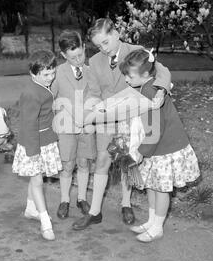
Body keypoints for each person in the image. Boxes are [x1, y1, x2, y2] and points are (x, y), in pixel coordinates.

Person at [72, 18, 171, 230]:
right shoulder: (96, 61)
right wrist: (91, 113)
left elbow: (162, 71)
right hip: (108, 118)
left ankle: (126, 203)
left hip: (133, 119)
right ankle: (95, 212)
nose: (103, 49)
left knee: (128, 162)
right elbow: (94, 93)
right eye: (98, 46)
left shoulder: (136, 50)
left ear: (116, 33)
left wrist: (161, 90)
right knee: (102, 161)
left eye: (105, 42)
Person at [119, 48, 200, 242]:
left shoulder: (149, 92)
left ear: (145, 73)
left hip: (164, 148)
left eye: (129, 76)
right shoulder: (150, 86)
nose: (126, 80)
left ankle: (157, 227)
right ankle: (152, 221)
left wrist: (139, 153)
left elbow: (155, 130)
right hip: (157, 147)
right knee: (153, 186)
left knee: (161, 189)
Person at [12, 50, 62, 241]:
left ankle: (31, 209)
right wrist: (32, 152)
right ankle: (45, 223)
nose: (51, 78)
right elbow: (28, 124)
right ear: (33, 74)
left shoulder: (42, 86)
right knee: (38, 181)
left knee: (36, 179)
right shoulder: (31, 93)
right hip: (33, 144)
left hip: (45, 141)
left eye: (52, 72)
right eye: (46, 75)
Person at [51, 30, 96, 219]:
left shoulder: (91, 71)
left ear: (84, 48)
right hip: (66, 128)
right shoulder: (58, 73)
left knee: (84, 162)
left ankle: (82, 198)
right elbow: (51, 98)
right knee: (67, 164)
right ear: (63, 56)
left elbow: (96, 96)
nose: (78, 60)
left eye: (80, 55)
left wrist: (86, 117)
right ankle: (64, 200)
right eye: (72, 57)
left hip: (86, 126)